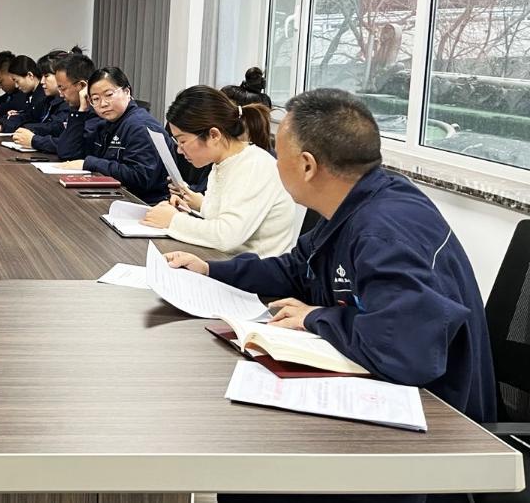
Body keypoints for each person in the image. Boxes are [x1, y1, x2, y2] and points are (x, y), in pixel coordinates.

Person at [166, 89, 495, 503]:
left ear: (307, 165)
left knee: (249, 475)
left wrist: (314, 318)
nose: (273, 160)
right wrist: (211, 270)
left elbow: (403, 350)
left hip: (430, 440)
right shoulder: (355, 204)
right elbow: (296, 269)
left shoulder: (384, 231)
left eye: (279, 152)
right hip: (387, 396)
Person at [140, 85, 295, 257]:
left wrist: (173, 220)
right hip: (226, 260)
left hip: (253, 268)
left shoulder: (254, 166)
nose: (179, 150)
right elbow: (223, 213)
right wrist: (195, 205)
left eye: (182, 141)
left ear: (214, 135)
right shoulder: (223, 162)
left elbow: (227, 236)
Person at [56, 66, 174, 204]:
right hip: (115, 197)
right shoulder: (106, 124)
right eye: (95, 99)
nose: (103, 104)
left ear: (127, 92)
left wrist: (89, 163)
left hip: (144, 203)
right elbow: (68, 153)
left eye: (109, 95)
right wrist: (81, 111)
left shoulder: (141, 126)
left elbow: (140, 178)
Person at [12, 49, 78, 152]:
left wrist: (32, 137)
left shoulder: (70, 103)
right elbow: (30, 116)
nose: (42, 81)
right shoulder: (49, 100)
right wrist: (2, 125)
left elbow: (56, 128)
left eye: (46, 76)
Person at [0, 54, 51, 133]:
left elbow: (38, 122)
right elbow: (28, 116)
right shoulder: (31, 94)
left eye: (17, 81)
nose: (16, 86)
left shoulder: (43, 96)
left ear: (30, 75)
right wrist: (3, 125)